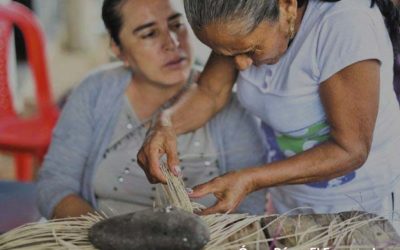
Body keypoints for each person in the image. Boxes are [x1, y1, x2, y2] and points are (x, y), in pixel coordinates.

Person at [138, 0, 400, 221]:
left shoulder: (344, 24)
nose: (241, 64)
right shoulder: (237, 23)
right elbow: (209, 92)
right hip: (291, 203)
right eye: (227, 54)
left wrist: (251, 179)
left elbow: (351, 149)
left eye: (250, 50)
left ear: (287, 6)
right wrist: (165, 124)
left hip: (364, 207)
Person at [36, 0, 267, 219]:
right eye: (149, 33)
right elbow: (55, 183)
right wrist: (106, 236)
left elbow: (251, 202)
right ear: (118, 49)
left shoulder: (227, 102)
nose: (172, 43)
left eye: (177, 26)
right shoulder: (95, 91)